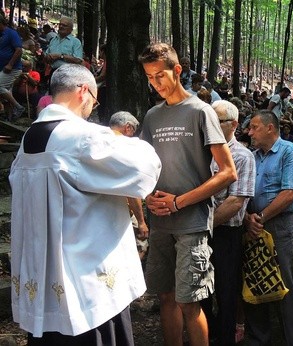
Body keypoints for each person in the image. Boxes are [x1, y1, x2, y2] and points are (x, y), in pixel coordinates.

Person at [9, 63, 162, 343]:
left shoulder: (28, 139)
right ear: (83, 91)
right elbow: (144, 167)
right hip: (88, 288)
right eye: (94, 99)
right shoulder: (80, 137)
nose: (93, 107)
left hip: (46, 283)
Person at [138, 42, 237, 346]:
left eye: (160, 76)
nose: (156, 84)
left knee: (189, 302)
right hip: (160, 224)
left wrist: (179, 201)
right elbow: (144, 167)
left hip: (191, 224)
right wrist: (148, 196)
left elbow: (228, 172)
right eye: (149, 78)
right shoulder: (152, 117)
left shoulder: (201, 111)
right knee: (166, 298)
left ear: (177, 70)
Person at [245, 110, 293, 345]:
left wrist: (259, 217)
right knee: (256, 281)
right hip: (253, 225)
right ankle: (260, 338)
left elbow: (290, 193)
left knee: (285, 282)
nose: (249, 132)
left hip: (279, 225)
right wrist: (249, 218)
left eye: (254, 127)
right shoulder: (252, 156)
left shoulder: (289, 152)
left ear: (270, 128)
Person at [204, 100, 255, 345]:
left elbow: (236, 202)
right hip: (200, 231)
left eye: (217, 121)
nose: (210, 125)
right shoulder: (202, 150)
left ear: (233, 125)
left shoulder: (243, 156)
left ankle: (225, 338)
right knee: (200, 289)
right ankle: (206, 333)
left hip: (225, 234)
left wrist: (205, 224)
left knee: (226, 289)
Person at [109, 111, 149, 260]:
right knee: (141, 245)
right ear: (127, 128)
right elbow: (131, 189)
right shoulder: (126, 149)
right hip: (122, 209)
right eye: (133, 131)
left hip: (101, 209)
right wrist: (141, 221)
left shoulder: (98, 142)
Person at [0, 15, 25, 119]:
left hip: (12, 68)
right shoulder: (1, 34)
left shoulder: (11, 33)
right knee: (5, 95)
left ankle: (18, 107)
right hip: (2, 68)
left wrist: (10, 64)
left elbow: (19, 49)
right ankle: (9, 118)